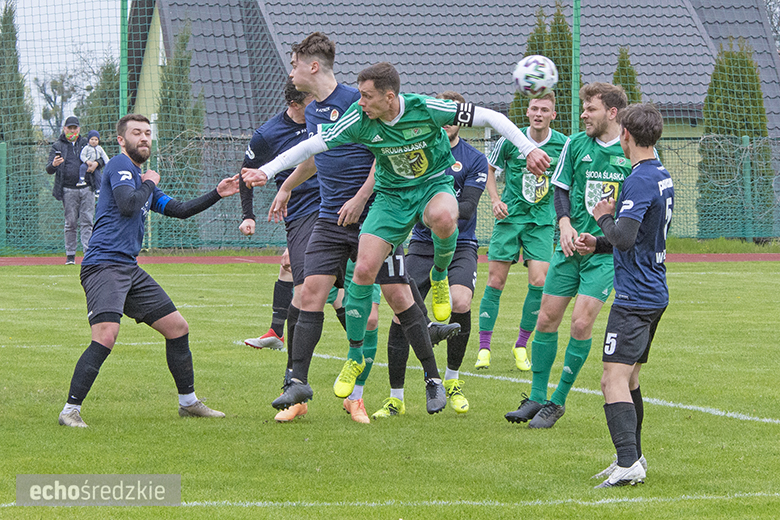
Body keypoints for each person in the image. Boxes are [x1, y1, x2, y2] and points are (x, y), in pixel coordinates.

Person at [245, 61, 550, 413]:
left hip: (432, 185)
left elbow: (491, 119)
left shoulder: (425, 108)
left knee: (443, 216)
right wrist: (267, 171)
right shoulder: (359, 120)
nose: (360, 103)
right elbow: (312, 146)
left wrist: (528, 149)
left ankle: (439, 274)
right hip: (390, 198)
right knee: (363, 271)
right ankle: (356, 356)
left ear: (390, 97)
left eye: (366, 96)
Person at [250, 33, 450, 419]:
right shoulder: (312, 110)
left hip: (374, 215)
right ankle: (297, 386)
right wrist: (287, 186)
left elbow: (386, 153)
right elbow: (316, 153)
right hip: (330, 216)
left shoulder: (356, 101)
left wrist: (360, 198)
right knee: (310, 292)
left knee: (395, 301)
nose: (290, 72)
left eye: (294, 64)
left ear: (312, 66)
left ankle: (429, 378)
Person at [57, 114, 239, 428]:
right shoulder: (119, 165)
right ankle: (69, 410)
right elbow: (128, 204)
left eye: (147, 133)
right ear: (121, 140)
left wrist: (217, 193)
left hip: (127, 267)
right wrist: (150, 182)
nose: (144, 138)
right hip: (104, 266)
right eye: (137, 133)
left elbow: (179, 210)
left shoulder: (141, 179)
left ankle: (188, 403)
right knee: (106, 336)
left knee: (177, 327)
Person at [505, 82, 629, 429]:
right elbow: (561, 188)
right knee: (546, 320)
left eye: (591, 109)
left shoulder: (631, 149)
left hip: (604, 255)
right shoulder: (576, 144)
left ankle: (557, 402)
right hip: (568, 248)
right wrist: (563, 224)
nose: (584, 115)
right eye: (583, 108)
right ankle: (536, 396)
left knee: (580, 322)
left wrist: (604, 240)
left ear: (612, 113)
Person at [574, 103, 673, 487]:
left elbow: (627, 238)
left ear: (626, 136)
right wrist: (597, 243)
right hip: (653, 292)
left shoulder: (639, 179)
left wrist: (602, 216)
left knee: (610, 380)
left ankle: (627, 462)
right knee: (629, 380)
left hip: (634, 298)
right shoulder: (661, 173)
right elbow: (638, 238)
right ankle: (636, 458)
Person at [373, 90, 487, 418]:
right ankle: (396, 398)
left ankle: (452, 381)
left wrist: (431, 205)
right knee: (398, 311)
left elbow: (465, 208)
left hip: (461, 245)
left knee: (461, 302)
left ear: (457, 121)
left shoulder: (474, 158)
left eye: (453, 119)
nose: (447, 123)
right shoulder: (416, 149)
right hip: (422, 246)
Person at [475, 92, 567, 372]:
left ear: (553, 115)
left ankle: (521, 345)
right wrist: (494, 200)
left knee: (540, 283)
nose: (539, 113)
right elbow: (490, 169)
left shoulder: (564, 145)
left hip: (541, 221)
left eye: (545, 110)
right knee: (495, 282)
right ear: (527, 113)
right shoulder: (510, 140)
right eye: (534, 109)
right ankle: (484, 348)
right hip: (510, 217)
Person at [46, 116, 102, 264]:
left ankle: (88, 255)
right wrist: (54, 164)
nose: (72, 130)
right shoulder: (57, 146)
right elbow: (49, 169)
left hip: (87, 188)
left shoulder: (87, 143)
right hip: (68, 190)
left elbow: (102, 158)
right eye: (69, 128)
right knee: (70, 223)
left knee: (87, 221)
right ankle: (70, 256)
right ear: (64, 129)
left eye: (74, 128)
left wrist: (96, 163)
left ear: (79, 129)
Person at [79, 130, 109, 195]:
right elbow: (82, 155)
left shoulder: (99, 148)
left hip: (96, 165)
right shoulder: (86, 148)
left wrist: (108, 163)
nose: (94, 141)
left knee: (98, 176)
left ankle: (98, 190)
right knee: (82, 167)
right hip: (87, 163)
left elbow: (104, 156)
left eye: (96, 140)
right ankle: (81, 180)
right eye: (92, 139)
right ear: (89, 140)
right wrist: (86, 161)